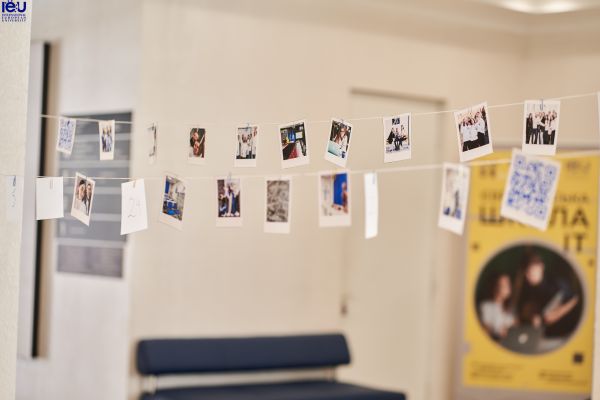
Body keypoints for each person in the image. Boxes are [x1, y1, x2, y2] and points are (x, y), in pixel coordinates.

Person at [513, 251, 580, 333]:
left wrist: (556, 314)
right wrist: (531, 316)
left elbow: (574, 299)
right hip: (541, 333)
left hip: (565, 331)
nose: (528, 276)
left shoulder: (557, 282)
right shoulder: (526, 288)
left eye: (531, 271)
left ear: (541, 267)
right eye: (525, 272)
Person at [480, 274, 515, 340]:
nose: (508, 288)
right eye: (505, 285)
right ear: (496, 287)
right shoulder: (486, 306)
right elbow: (486, 330)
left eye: (509, 284)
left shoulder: (512, 307)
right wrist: (498, 333)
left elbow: (515, 327)